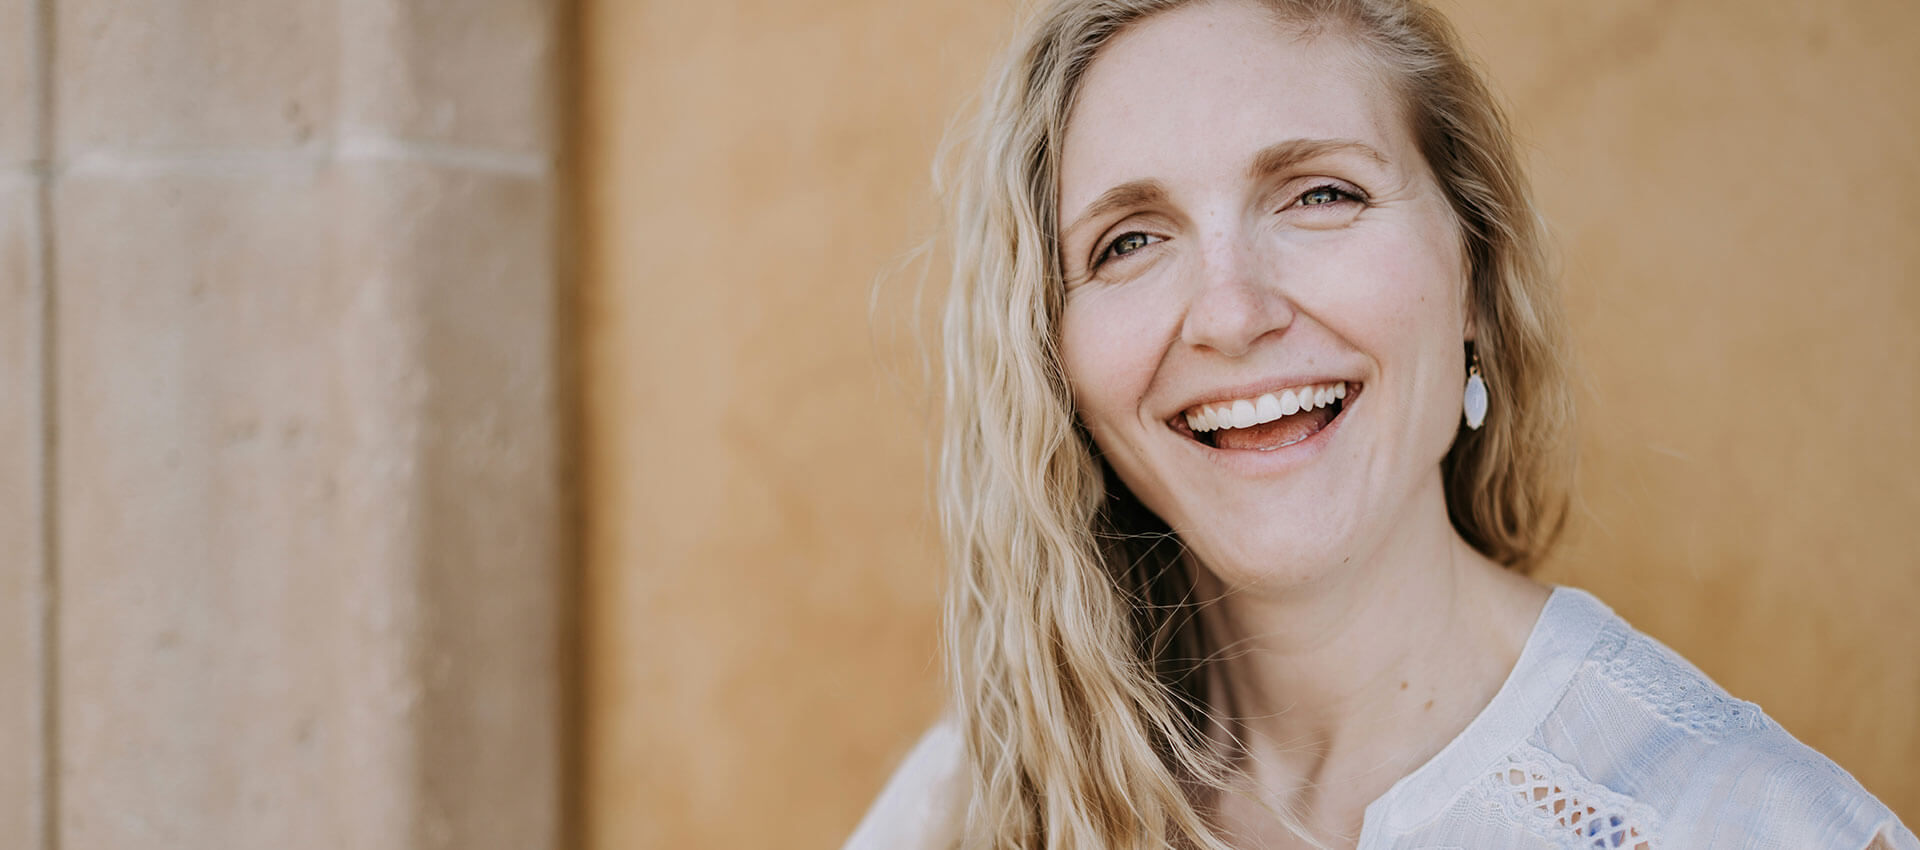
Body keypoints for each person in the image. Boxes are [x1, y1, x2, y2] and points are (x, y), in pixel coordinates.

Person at [848, 0, 1917, 847]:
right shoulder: (970, 804)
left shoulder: (1734, 822)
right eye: (1129, 241)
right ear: (1058, 361)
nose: (1230, 313)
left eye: (1321, 194)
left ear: (1477, 283)